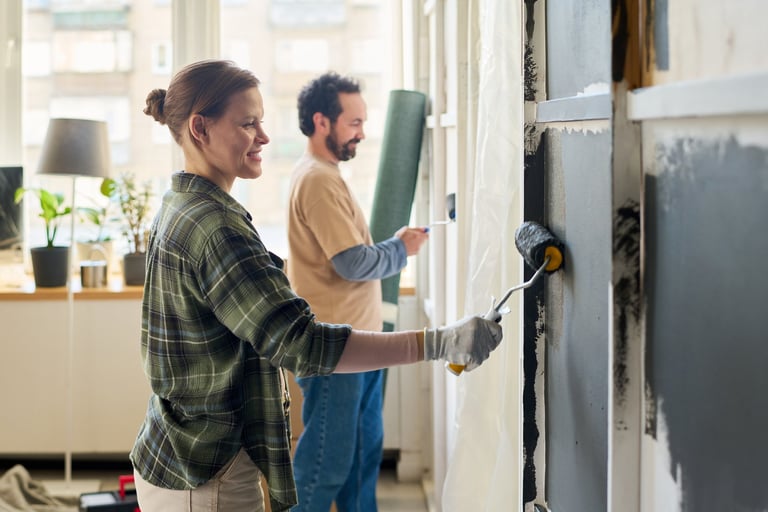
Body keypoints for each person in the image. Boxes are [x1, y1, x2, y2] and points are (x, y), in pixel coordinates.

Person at [129, 59, 503, 512]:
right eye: (248, 124)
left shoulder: (183, 203)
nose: (264, 137)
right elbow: (303, 342)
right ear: (200, 129)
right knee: (325, 469)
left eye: (261, 122)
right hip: (206, 479)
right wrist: (441, 342)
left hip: (187, 458)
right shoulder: (217, 227)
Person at [286, 72, 428, 512]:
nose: (362, 134)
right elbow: (351, 263)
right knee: (326, 464)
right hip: (335, 349)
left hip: (359, 344)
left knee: (363, 456)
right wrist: (400, 250)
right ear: (321, 122)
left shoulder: (325, 174)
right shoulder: (318, 181)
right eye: (354, 123)